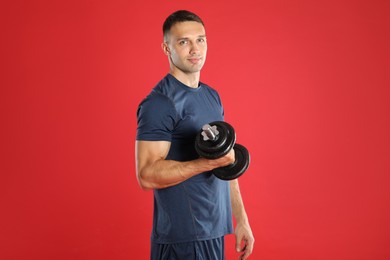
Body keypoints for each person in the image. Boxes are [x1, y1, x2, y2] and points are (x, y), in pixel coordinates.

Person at [136, 10, 254, 259]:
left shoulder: (212, 96)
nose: (195, 49)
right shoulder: (159, 103)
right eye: (183, 41)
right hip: (183, 238)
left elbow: (226, 162)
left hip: (214, 231)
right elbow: (146, 175)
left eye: (200, 39)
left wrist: (240, 219)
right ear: (167, 48)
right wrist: (205, 163)